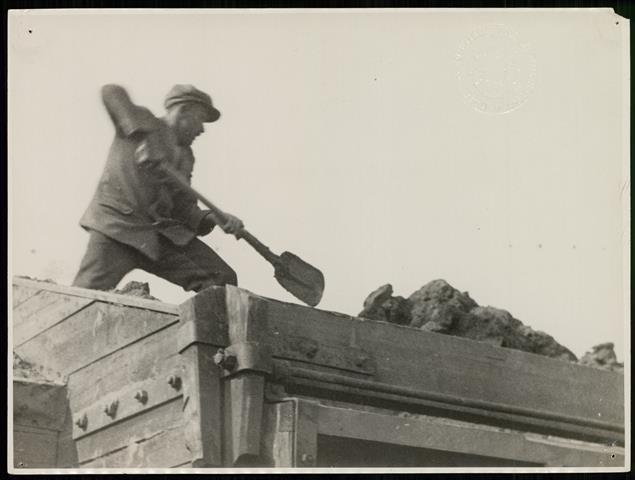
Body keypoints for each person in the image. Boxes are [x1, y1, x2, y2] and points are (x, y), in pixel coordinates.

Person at [73, 84, 243, 292]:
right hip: (117, 229)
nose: (202, 129)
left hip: (159, 238)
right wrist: (141, 137)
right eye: (200, 119)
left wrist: (213, 217)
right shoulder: (145, 122)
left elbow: (183, 209)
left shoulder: (186, 157)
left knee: (221, 279)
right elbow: (111, 91)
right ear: (183, 111)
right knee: (83, 298)